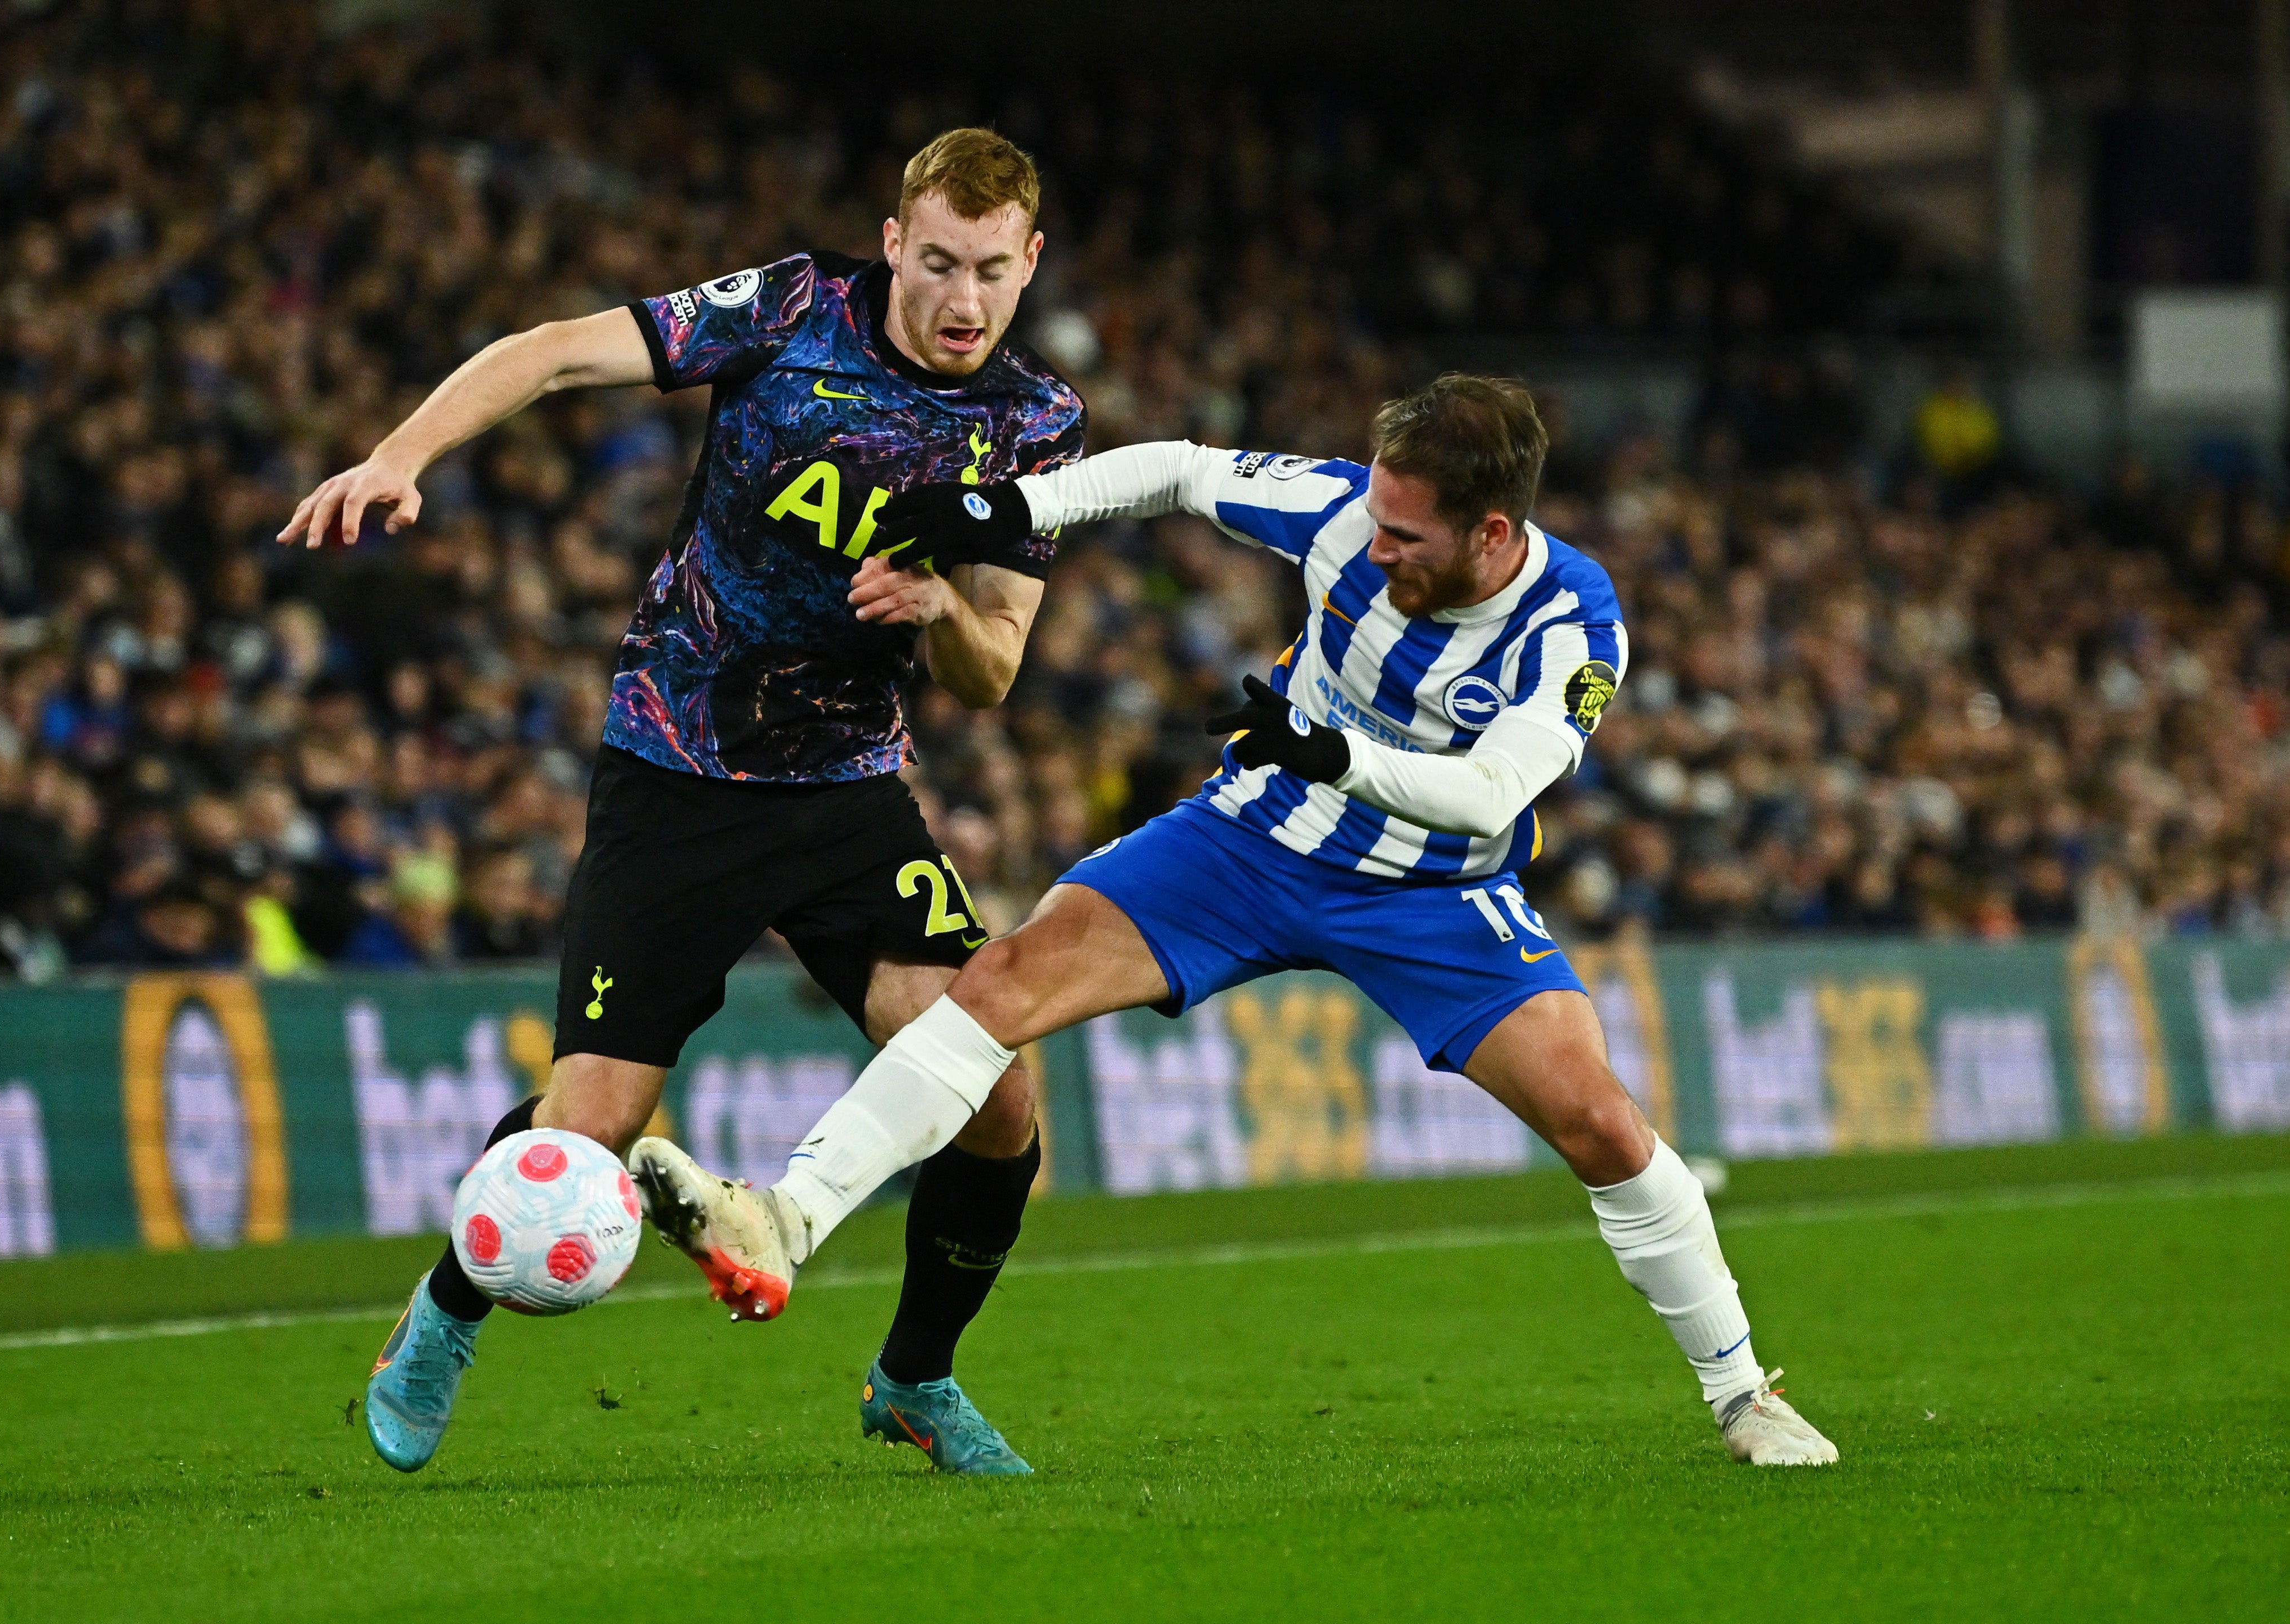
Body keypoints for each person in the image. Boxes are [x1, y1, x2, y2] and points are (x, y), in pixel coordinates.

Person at [634, 375, 1840, 1468]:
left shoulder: (1574, 625)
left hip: (1431, 889)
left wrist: (1336, 754)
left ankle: (1743, 1393)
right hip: (1248, 838)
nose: (1376, 547)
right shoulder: (1337, 516)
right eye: (1373, 517)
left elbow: (1489, 792)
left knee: (1601, 1121)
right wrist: (1016, 509)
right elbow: (1177, 467)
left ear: (1491, 532)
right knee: (999, 981)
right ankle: (784, 1216)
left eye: (1405, 536)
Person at [277, 128, 1084, 1475]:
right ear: (892, 242)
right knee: (587, 1117)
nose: (962, 299)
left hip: (847, 789)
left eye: (991, 272)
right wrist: (397, 455)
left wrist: (943, 604)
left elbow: (994, 666)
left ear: (1030, 264)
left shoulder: (1035, 422)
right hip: (678, 767)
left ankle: (915, 1379)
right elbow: (548, 350)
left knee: (994, 1089)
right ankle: (440, 1316)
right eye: (938, 261)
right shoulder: (785, 313)